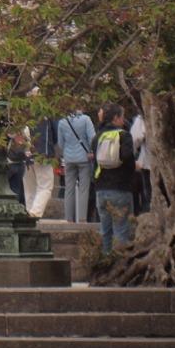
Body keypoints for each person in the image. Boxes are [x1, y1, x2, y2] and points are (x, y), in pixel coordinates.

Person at [92, 103, 136, 255]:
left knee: (105, 231)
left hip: (101, 189)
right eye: (122, 117)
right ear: (116, 118)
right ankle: (120, 264)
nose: (124, 120)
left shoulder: (98, 137)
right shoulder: (124, 135)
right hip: (120, 188)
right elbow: (128, 158)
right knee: (122, 230)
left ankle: (105, 262)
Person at [56, 106, 96, 224]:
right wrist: (91, 151)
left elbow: (60, 143)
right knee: (84, 189)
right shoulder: (86, 119)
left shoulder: (62, 121)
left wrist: (67, 152)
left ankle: (69, 219)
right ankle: (82, 218)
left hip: (68, 158)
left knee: (69, 189)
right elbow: (92, 138)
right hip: (84, 158)